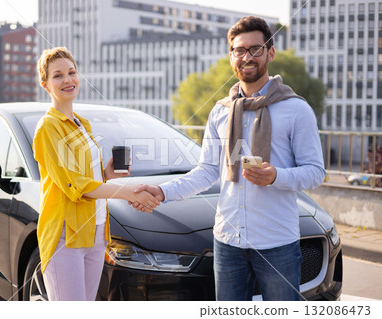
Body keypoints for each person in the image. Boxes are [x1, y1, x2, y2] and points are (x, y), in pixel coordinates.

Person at [132, 17, 325, 301]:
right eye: (239, 50)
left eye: (255, 49)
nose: (247, 57)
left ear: (270, 53)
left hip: (277, 244)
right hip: (227, 243)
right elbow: (207, 170)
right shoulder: (221, 112)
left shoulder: (295, 109)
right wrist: (162, 192)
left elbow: (315, 172)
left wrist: (276, 176)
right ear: (231, 56)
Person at [33, 47, 160, 301]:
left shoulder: (82, 123)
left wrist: (107, 173)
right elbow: (75, 185)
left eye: (72, 72)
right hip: (65, 236)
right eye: (58, 76)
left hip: (96, 231)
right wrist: (127, 193)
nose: (68, 80)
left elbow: (87, 178)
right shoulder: (48, 127)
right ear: (45, 84)